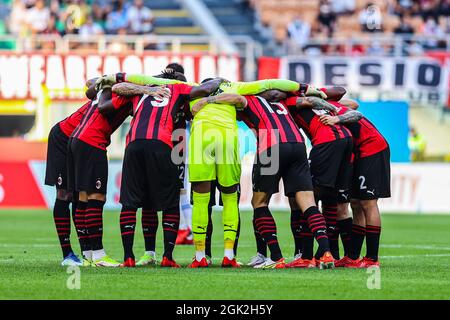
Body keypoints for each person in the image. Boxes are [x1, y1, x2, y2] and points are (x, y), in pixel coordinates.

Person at [192, 90, 335, 270]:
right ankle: (325, 252)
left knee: (259, 202)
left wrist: (207, 100)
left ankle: (276, 257)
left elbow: (236, 98)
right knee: (308, 202)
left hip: (271, 145)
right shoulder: (284, 102)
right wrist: (330, 107)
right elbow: (309, 101)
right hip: (298, 145)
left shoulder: (251, 99)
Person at [97, 78, 224, 268]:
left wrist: (144, 89)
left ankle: (128, 258)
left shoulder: (140, 90)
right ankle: (167, 256)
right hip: (162, 145)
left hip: (134, 145)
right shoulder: (178, 88)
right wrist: (220, 80)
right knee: (171, 202)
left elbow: (117, 87)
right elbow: (207, 88)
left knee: (130, 203)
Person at [319, 101, 390, 268]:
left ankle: (372, 258)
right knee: (356, 204)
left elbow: (356, 112)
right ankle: (352, 257)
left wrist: (337, 118)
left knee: (368, 203)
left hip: (373, 149)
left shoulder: (330, 110)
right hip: (359, 153)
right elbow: (353, 104)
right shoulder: (329, 107)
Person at [45, 91, 95, 266]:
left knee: (79, 194)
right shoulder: (118, 91)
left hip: (81, 140)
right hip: (63, 138)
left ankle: (86, 252)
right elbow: (91, 87)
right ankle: (67, 254)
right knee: (65, 194)